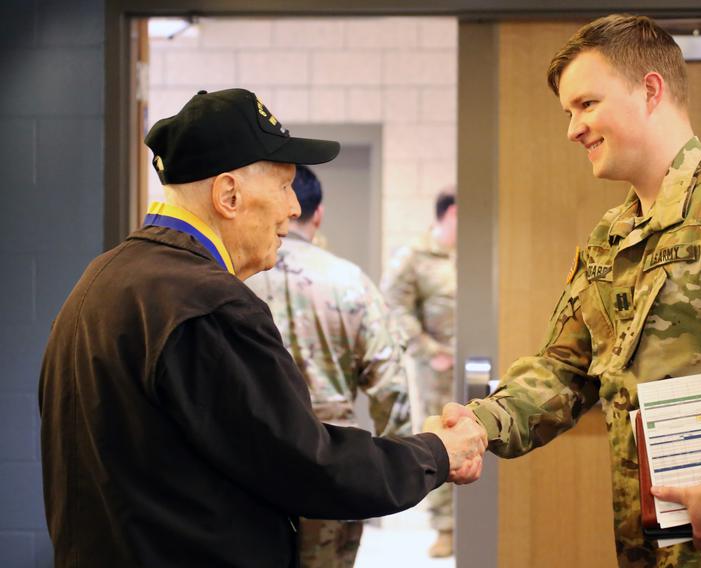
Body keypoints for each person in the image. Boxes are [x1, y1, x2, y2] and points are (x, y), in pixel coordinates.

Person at [438, 15, 701, 568]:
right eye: (569, 112)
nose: (572, 129)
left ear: (650, 90)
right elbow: (564, 370)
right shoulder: (612, 236)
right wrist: (481, 424)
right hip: (650, 546)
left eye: (586, 105)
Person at [38, 88, 484, 568]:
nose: (294, 208)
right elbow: (310, 467)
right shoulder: (210, 305)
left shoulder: (100, 281)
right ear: (229, 195)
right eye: (284, 185)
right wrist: (437, 452)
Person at [245, 165, 412, 568]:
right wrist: (397, 466)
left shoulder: (237, 280)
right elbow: (391, 384)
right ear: (316, 214)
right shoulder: (348, 281)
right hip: (332, 464)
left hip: (252, 463)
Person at [380, 191, 457, 557]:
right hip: (439, 368)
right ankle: (445, 527)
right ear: (451, 214)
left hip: (480, 360)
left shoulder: (475, 248)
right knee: (442, 437)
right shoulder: (415, 255)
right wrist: (427, 350)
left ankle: (475, 519)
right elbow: (394, 304)